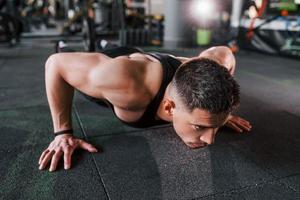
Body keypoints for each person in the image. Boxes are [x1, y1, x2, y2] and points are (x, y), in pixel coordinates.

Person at [38, 44, 252, 172]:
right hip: (120, 67)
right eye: (199, 128)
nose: (209, 140)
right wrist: (63, 133)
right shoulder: (124, 84)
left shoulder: (212, 65)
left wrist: (218, 115)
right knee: (76, 61)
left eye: (212, 130)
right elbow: (55, 64)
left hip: (149, 59)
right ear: (169, 108)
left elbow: (224, 52)